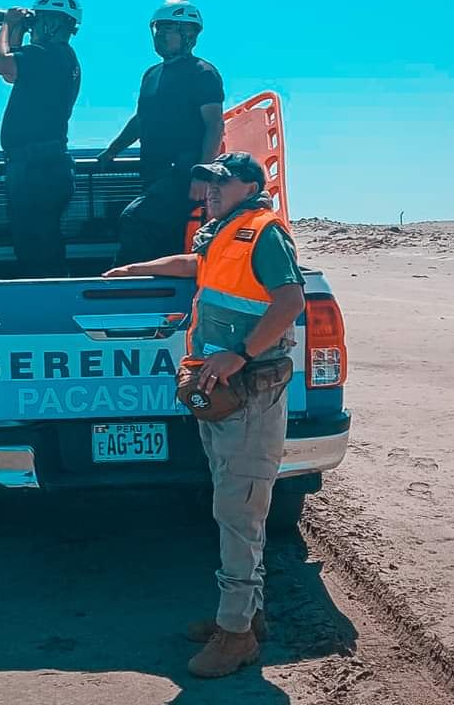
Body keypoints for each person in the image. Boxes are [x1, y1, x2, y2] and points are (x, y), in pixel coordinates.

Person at [104, 152, 305, 678]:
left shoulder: (262, 233)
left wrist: (239, 353)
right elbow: (200, 267)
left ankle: (236, 634)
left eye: (222, 182)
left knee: (239, 510)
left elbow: (290, 301)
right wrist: (140, 267)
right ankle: (245, 615)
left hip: (250, 388)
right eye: (208, 183)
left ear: (251, 186)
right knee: (231, 502)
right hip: (224, 389)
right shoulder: (223, 233)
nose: (210, 191)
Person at [98, 0, 225, 266]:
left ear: (188, 33)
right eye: (158, 29)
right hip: (153, 173)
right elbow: (142, 119)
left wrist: (203, 172)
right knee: (164, 239)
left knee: (136, 218)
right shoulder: (152, 74)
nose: (160, 35)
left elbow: (215, 125)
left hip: (183, 173)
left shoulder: (202, 72)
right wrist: (112, 151)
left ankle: (125, 284)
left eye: (167, 29)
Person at [0, 0, 82, 278]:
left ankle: (52, 306)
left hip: (37, 166)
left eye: (39, 21)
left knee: (38, 247)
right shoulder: (57, 57)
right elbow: (10, 73)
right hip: (42, 165)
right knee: (37, 243)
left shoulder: (51, 55)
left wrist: (8, 24)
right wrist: (17, 29)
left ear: (54, 23)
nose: (35, 28)